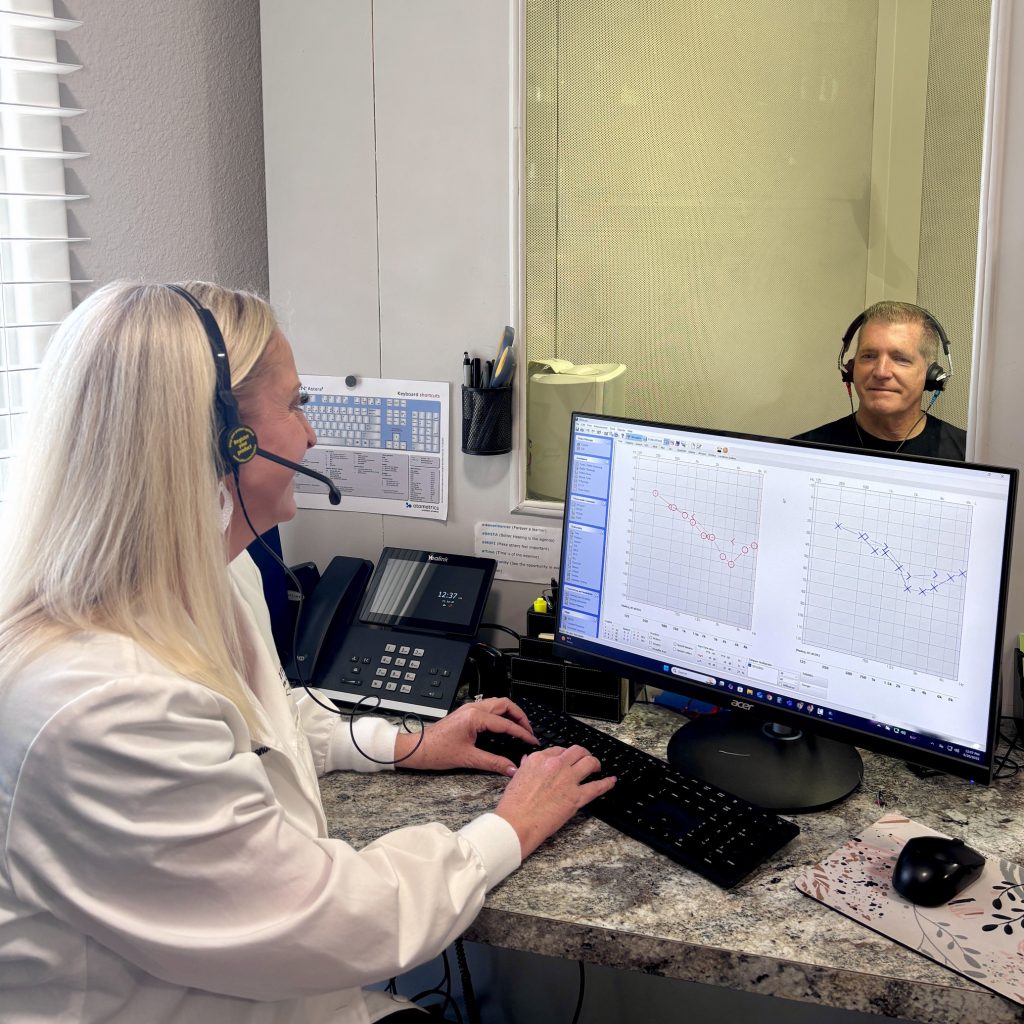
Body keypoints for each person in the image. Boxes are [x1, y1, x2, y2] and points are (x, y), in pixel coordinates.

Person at [0, 281, 616, 1023]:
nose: (312, 437)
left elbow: (265, 718)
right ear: (223, 438)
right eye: (296, 406)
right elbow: (323, 922)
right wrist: (506, 828)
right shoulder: (100, 701)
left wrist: (402, 741)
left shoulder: (210, 576)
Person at [795, 301, 967, 460]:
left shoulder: (969, 455)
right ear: (851, 368)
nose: (881, 372)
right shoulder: (804, 453)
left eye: (900, 359)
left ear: (932, 375)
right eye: (868, 356)